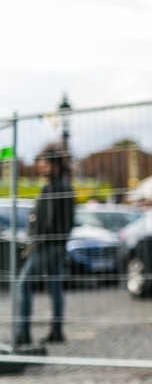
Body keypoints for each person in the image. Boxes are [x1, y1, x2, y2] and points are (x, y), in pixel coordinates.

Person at [14, 142, 75, 346]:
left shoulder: (53, 188)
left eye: (44, 164)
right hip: (57, 246)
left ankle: (23, 333)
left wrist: (35, 243)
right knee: (55, 287)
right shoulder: (64, 186)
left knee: (23, 284)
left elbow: (46, 222)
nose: (41, 167)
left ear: (55, 165)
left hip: (47, 246)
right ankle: (56, 331)